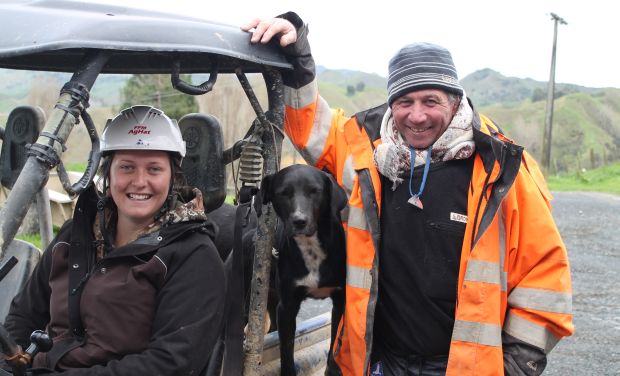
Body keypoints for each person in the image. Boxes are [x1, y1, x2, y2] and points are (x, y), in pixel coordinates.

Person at [243, 13, 574, 376]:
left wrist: (517, 364)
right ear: (391, 105)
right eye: (404, 102)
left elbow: (544, 277)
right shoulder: (371, 157)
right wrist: (298, 47)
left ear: (455, 101)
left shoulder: (502, 169)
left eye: (430, 101)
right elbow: (311, 128)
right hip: (381, 360)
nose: (416, 116)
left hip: (460, 368)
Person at [4, 105, 226, 375]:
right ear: (108, 174)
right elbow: (23, 316)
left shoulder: (193, 256)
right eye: (127, 167)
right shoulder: (75, 236)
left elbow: (170, 364)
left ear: (173, 177)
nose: (139, 181)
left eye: (154, 169)